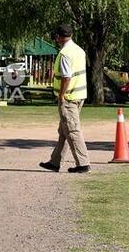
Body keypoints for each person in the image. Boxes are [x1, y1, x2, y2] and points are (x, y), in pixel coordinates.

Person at [39, 25, 91, 173]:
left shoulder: (65, 54)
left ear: (58, 37)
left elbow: (66, 77)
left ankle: (83, 163)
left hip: (69, 98)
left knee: (72, 130)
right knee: (64, 130)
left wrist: (61, 96)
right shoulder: (78, 50)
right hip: (79, 95)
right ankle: (55, 161)